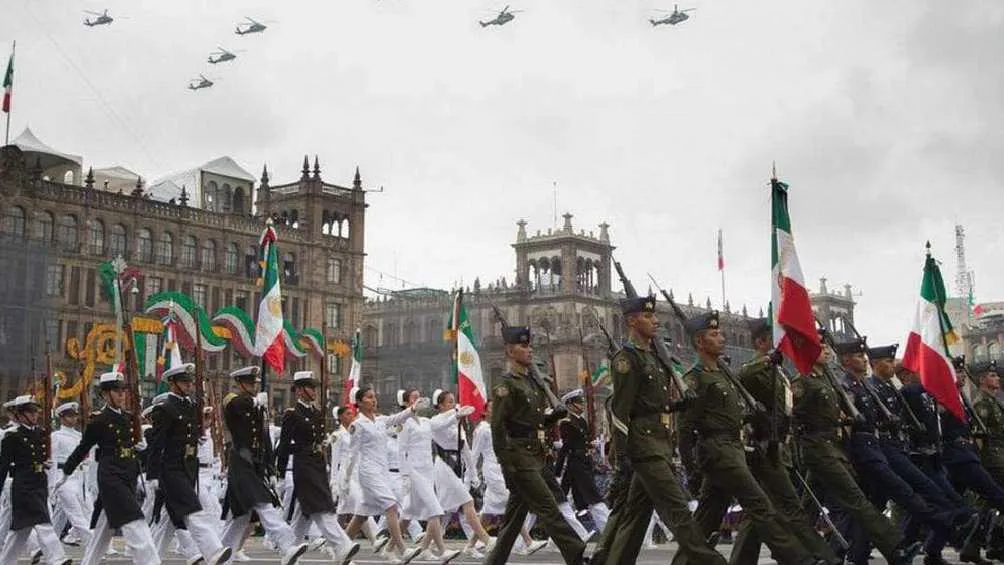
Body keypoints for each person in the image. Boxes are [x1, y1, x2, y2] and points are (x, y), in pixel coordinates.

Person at [678, 310, 821, 565]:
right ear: (699, 342)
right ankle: (800, 559)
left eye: (721, 332)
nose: (721, 338)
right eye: (714, 334)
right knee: (761, 506)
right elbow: (685, 429)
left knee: (706, 517)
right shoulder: (696, 378)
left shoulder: (723, 374)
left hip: (734, 449)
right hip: (718, 451)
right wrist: (691, 468)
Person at [600, 297, 726, 565]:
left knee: (635, 514)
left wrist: (677, 404)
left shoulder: (656, 358)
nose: (656, 321)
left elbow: (654, 403)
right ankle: (710, 560)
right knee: (677, 507)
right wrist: (621, 457)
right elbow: (621, 411)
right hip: (643, 446)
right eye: (648, 316)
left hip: (658, 442)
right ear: (632, 321)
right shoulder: (627, 359)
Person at [792, 344, 919, 565]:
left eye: (827, 347)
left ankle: (807, 553)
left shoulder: (828, 380)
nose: (827, 351)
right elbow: (794, 416)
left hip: (834, 448)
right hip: (818, 448)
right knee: (856, 499)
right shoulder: (803, 380)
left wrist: (846, 420)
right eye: (820, 347)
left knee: (808, 508)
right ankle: (895, 547)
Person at [729, 318, 840, 565]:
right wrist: (769, 361)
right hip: (764, 448)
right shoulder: (758, 367)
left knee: (758, 511)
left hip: (779, 447)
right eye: (775, 337)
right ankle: (820, 557)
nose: (782, 341)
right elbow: (743, 374)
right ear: (761, 341)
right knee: (790, 507)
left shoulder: (779, 371)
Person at [483, 324, 587, 565]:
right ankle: (577, 555)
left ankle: (494, 561)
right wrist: (506, 465)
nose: (529, 350)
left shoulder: (531, 383)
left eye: (529, 345)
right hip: (519, 458)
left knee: (513, 520)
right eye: (522, 345)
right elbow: (498, 428)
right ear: (509, 351)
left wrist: (554, 415)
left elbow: (534, 421)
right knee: (549, 507)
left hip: (534, 455)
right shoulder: (506, 385)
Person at [58, 371, 161, 565]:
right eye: (116, 391)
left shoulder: (131, 419)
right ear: (105, 394)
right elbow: (83, 448)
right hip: (111, 476)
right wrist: (66, 472)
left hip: (128, 475)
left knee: (102, 531)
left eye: (123, 390)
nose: (122, 395)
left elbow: (138, 452)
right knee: (134, 520)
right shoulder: (99, 421)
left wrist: (144, 451)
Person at [219, 366, 308, 565]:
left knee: (240, 516)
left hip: (255, 466)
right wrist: (254, 402)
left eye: (255, 383)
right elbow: (233, 405)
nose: (253, 386)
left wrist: (271, 469)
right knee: (263, 504)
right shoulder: (234, 400)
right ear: (240, 383)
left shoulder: (258, 407)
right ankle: (286, 544)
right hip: (241, 464)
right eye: (250, 383)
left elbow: (264, 440)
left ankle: (220, 556)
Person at [146, 363, 232, 565]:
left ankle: (149, 560)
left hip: (188, 469)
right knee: (193, 510)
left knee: (168, 521)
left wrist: (198, 438)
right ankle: (213, 551)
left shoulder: (191, 406)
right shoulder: (164, 409)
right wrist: (152, 475)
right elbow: (157, 444)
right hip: (171, 469)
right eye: (184, 381)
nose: (188, 385)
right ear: (172, 383)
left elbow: (190, 434)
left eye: (189, 381)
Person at [275, 371, 360, 565]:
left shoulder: (316, 413)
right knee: (321, 507)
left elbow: (321, 441)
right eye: (310, 387)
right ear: (299, 391)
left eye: (314, 386)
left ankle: (289, 550)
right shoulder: (292, 414)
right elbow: (285, 445)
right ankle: (341, 546)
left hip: (317, 464)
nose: (314, 390)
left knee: (304, 512)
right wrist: (279, 473)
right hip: (303, 464)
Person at [340, 386, 424, 564]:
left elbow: (397, 418)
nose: (374, 400)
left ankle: (341, 549)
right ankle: (402, 549)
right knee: (391, 506)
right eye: (369, 397)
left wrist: (413, 409)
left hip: (381, 471)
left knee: (361, 515)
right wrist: (345, 480)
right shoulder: (357, 425)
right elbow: (351, 454)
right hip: (368, 472)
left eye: (374, 397)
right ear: (360, 402)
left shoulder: (379, 421)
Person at [0, 395, 71, 565]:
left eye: (36, 412)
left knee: (20, 531)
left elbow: (43, 458)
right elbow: (2, 466)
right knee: (42, 520)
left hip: (39, 482)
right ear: (20, 415)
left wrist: (45, 465)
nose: (34, 415)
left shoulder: (41, 434)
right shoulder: (12, 436)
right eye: (30, 412)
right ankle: (57, 558)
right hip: (23, 485)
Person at [397, 387, 464, 563]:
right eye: (414, 398)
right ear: (405, 403)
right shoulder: (405, 423)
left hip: (428, 470)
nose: (419, 400)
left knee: (407, 514)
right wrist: (405, 476)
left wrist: (456, 416)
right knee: (435, 510)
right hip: (414, 471)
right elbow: (400, 450)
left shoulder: (426, 421)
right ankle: (442, 551)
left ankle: (390, 548)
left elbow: (441, 424)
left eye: (420, 397)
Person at [554, 388, 610, 533]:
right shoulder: (566, 423)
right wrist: (558, 471)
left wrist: (591, 446)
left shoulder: (582, 421)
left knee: (562, 499)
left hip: (582, 463)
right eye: (579, 402)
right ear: (570, 404)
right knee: (592, 497)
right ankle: (607, 529)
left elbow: (584, 441)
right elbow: (566, 447)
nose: (582, 405)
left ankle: (565, 534)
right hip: (576, 464)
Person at [50, 401, 92, 547]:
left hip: (80, 478)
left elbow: (86, 459)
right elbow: (53, 461)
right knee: (77, 515)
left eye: (74, 416)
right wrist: (52, 484)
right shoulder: (56, 436)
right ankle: (93, 544)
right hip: (63, 478)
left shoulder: (79, 435)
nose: (73, 419)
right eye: (69, 416)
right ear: (61, 418)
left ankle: (49, 542)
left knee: (60, 516)